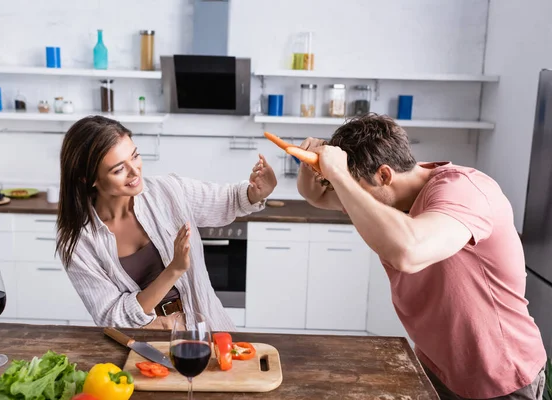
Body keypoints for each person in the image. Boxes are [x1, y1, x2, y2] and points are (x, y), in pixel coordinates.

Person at [296, 113, 547, 400]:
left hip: (500, 375)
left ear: (384, 175)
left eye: (355, 187)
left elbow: (409, 252)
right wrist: (309, 166)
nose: (350, 201)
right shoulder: (381, 193)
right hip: (437, 366)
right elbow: (316, 196)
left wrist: (341, 175)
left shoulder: (463, 191)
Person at [56, 116, 277, 331]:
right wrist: (174, 270)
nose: (135, 171)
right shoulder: (78, 242)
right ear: (87, 178)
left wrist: (255, 192)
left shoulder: (168, 191)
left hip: (208, 331)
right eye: (118, 169)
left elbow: (229, 199)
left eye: (134, 156)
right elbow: (113, 317)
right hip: (141, 348)